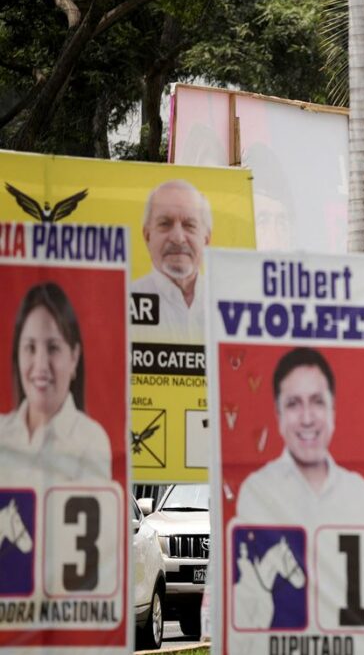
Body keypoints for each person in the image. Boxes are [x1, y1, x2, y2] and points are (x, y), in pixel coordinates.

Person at [235, 348, 364, 526]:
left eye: (317, 401)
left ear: (332, 409)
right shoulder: (257, 491)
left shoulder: (360, 494)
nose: (307, 419)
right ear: (278, 413)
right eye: (293, 404)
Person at [0, 283, 110, 483]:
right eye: (30, 348)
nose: (41, 365)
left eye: (53, 348)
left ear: (74, 357)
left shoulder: (91, 440)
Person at [130, 180, 212, 342]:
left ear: (206, 239)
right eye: (165, 224)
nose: (178, 238)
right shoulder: (124, 304)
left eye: (189, 225)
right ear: (147, 236)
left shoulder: (223, 304)